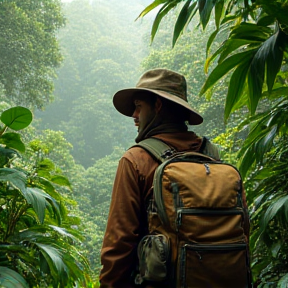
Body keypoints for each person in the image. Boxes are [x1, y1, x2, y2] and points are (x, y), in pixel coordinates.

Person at [99, 68, 220, 287]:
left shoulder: (136, 160)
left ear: (157, 106)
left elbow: (118, 244)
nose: (134, 116)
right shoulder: (211, 155)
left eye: (138, 106)